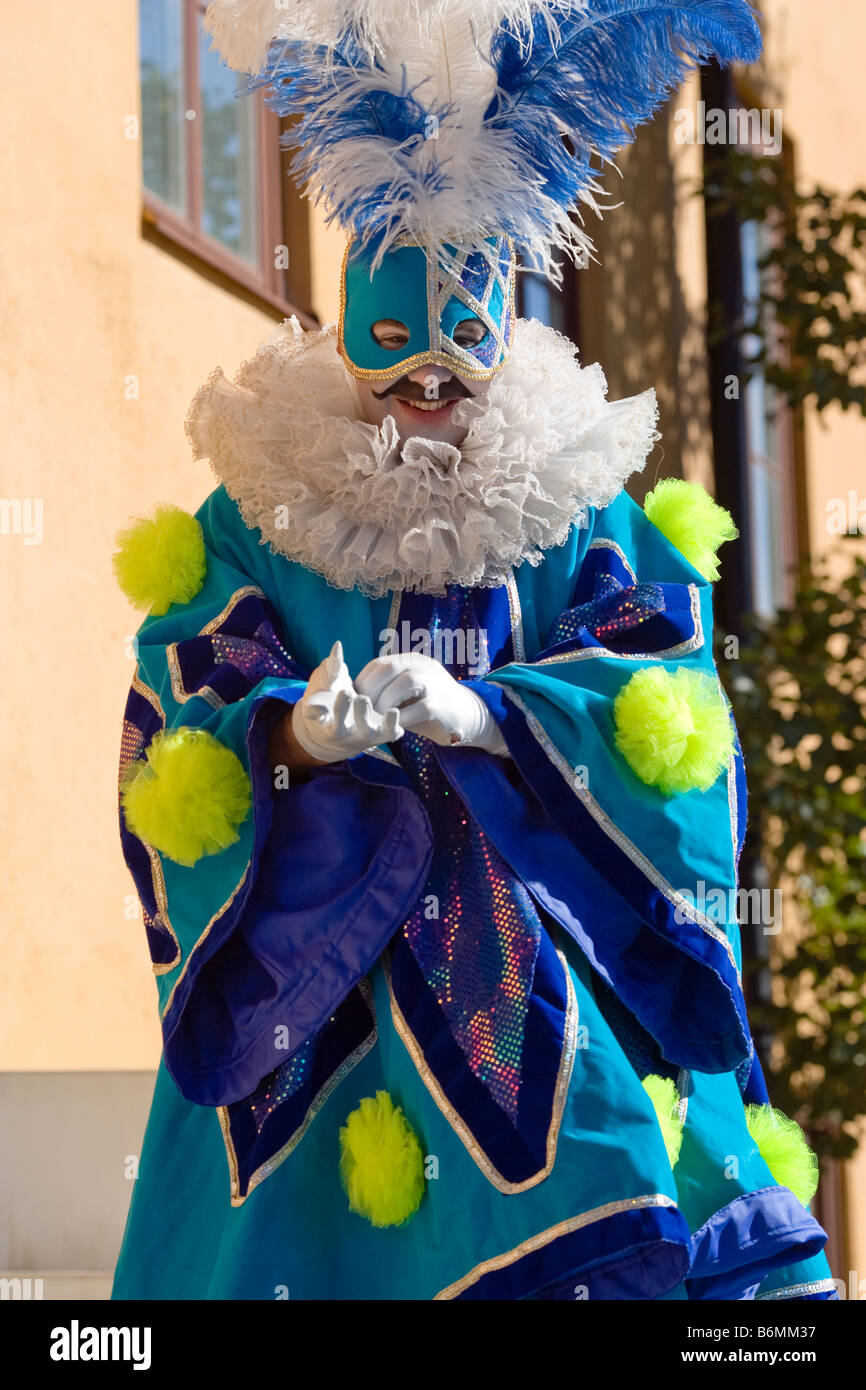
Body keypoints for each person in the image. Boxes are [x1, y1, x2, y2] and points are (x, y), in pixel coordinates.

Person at [111, 0, 836, 1300]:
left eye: (461, 343)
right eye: (394, 345)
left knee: (605, 1159)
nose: (428, 383)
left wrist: (499, 719)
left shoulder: (580, 511)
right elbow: (177, 721)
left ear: (510, 315)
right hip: (315, 1014)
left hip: (546, 977)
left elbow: (669, 709)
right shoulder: (260, 518)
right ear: (347, 322)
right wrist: (291, 734)